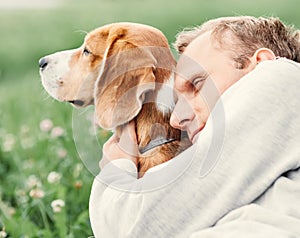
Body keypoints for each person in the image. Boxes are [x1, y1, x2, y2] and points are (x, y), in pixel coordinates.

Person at [89, 16, 300, 237]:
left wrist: (117, 167)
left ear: (262, 65)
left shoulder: (283, 80)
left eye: (197, 84)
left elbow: (132, 226)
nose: (176, 120)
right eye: (177, 101)